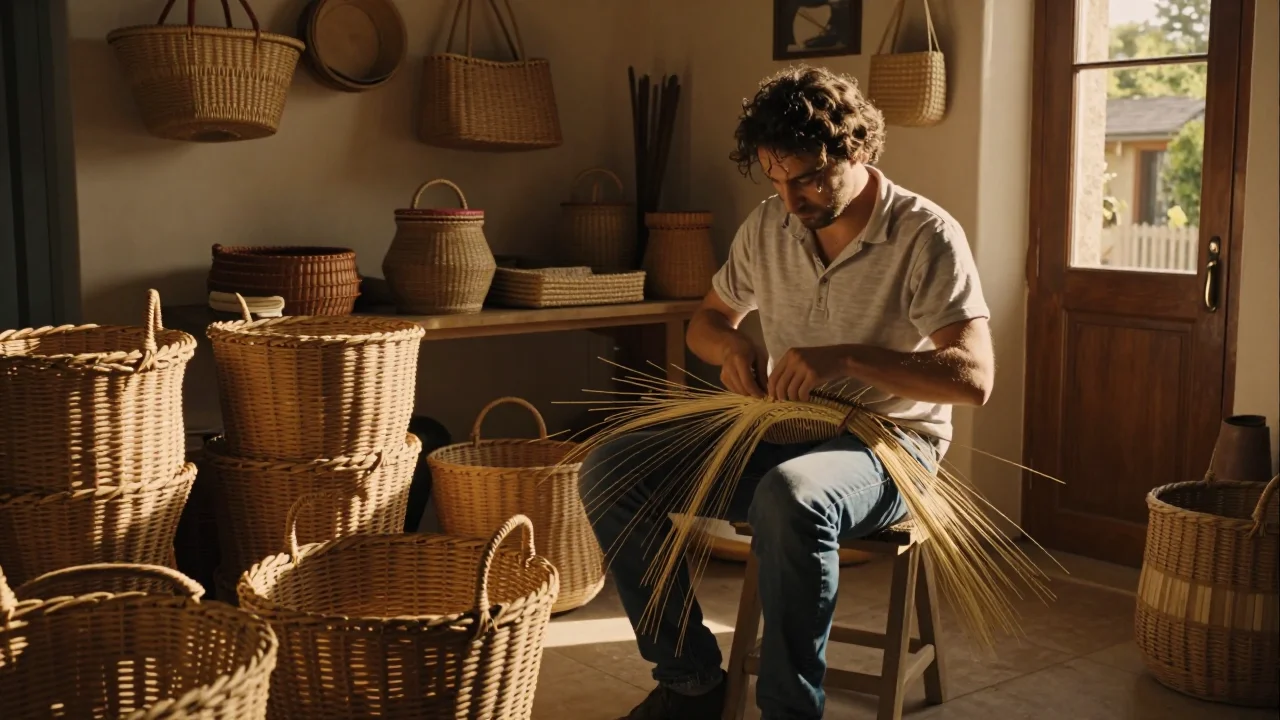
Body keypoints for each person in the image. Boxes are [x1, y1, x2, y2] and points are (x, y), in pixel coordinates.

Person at [579, 66, 994, 720]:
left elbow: (973, 378)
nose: (791, 199)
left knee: (792, 497)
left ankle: (788, 710)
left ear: (857, 151)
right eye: (775, 179)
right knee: (612, 467)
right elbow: (705, 322)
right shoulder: (768, 226)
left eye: (808, 178)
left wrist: (848, 358)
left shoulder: (924, 234)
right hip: (783, 428)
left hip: (891, 447)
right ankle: (691, 684)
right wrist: (730, 348)